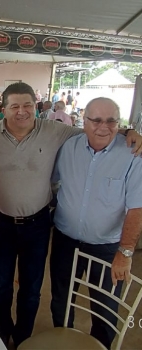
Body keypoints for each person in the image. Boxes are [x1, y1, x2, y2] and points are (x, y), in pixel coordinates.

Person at [0, 82, 142, 348]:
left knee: (32, 291)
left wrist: (129, 131)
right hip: (0, 224)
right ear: (2, 109)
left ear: (36, 107)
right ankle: (3, 331)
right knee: (3, 286)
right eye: (14, 106)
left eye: (27, 105)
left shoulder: (56, 131)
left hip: (38, 226)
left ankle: (24, 336)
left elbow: (97, 130)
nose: (22, 111)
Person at [50, 97, 142, 349]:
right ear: (83, 121)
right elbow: (55, 183)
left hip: (107, 247)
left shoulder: (133, 154)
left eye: (112, 121)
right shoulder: (68, 148)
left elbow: (137, 208)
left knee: (105, 307)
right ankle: (63, 342)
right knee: (60, 300)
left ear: (120, 123)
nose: (104, 126)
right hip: (65, 241)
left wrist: (125, 253)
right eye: (97, 120)